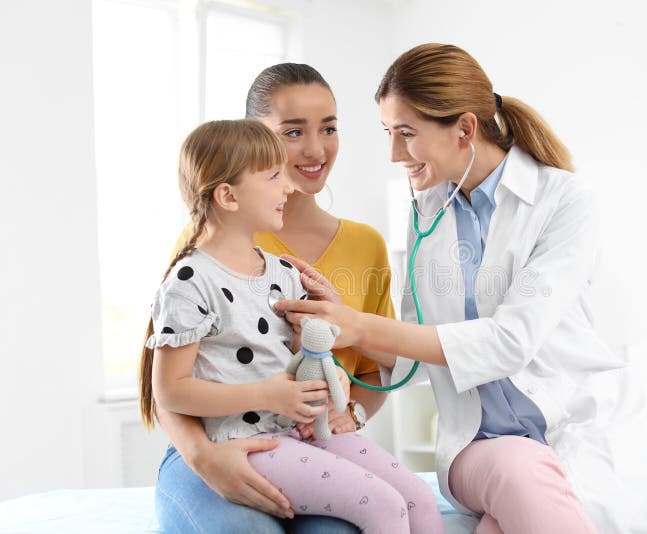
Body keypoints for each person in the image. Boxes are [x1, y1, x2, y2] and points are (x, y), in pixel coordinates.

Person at [276, 44, 647, 534]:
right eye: (388, 134)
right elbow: (414, 349)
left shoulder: (564, 201)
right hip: (482, 447)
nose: (394, 154)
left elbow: (511, 341)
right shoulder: (427, 209)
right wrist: (350, 328)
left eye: (406, 134)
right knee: (520, 469)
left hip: (581, 430)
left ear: (464, 128)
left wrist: (358, 326)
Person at [140, 119, 443, 534]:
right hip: (249, 441)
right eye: (273, 176)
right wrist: (267, 394)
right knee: (383, 505)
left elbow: (303, 357)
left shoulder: (283, 273)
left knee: (419, 499)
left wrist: (327, 371)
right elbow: (169, 391)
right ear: (228, 196)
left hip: (304, 432)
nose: (287, 187)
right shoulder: (190, 281)